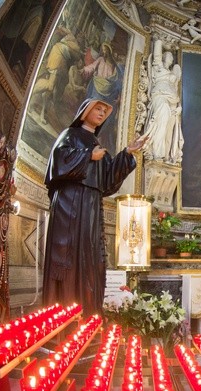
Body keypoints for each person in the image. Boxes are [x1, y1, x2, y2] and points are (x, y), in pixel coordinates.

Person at [42, 98, 149, 317]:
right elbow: (59, 160)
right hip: (70, 204)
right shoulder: (70, 135)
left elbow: (108, 178)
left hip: (91, 205)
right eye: (97, 109)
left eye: (104, 111)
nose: (101, 113)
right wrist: (88, 156)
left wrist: (128, 152)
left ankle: (88, 314)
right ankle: (65, 317)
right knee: (69, 256)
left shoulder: (95, 142)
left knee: (89, 259)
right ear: (85, 112)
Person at [142, 39, 184, 164]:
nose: (171, 58)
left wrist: (178, 106)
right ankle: (156, 153)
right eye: (170, 56)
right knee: (161, 120)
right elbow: (157, 53)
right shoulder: (158, 67)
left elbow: (175, 90)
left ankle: (166, 156)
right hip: (160, 97)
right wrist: (161, 40)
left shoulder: (173, 73)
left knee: (169, 128)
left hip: (172, 101)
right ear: (165, 57)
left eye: (172, 56)